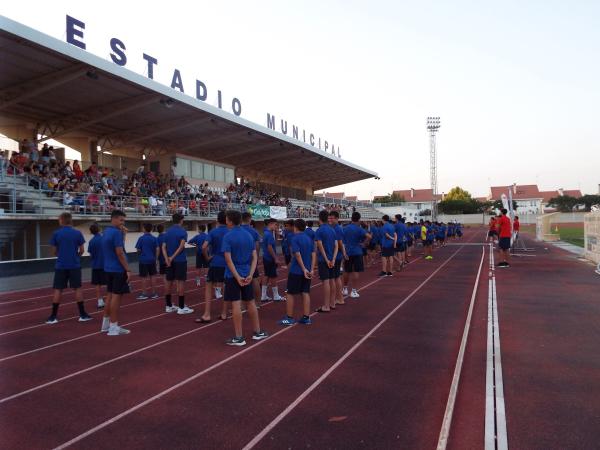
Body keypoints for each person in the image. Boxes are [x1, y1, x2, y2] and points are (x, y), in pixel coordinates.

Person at [221, 210, 268, 346]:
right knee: (251, 302)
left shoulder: (228, 236)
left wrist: (237, 277)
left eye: (227, 219)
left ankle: (239, 337)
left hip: (233, 275)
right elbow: (255, 257)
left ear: (229, 221)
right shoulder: (248, 235)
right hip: (247, 273)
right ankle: (257, 332)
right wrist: (250, 274)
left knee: (236, 304)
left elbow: (229, 261)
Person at [46, 212, 91, 324]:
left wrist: (61, 256)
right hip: (74, 265)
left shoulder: (56, 233)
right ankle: (82, 314)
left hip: (60, 265)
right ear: (70, 220)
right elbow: (82, 250)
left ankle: (53, 316)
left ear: (62, 220)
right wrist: (75, 256)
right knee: (77, 289)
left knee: (58, 290)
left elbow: (54, 251)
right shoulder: (77, 233)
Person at [279, 218, 316, 325]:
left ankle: (289, 318)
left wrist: (303, 269)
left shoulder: (295, 239)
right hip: (308, 270)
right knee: (305, 292)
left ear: (295, 227)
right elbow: (313, 254)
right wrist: (311, 269)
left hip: (297, 270)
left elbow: (297, 254)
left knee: (290, 293)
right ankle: (306, 317)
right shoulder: (309, 238)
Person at [101, 209, 132, 335]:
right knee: (116, 297)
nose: (122, 223)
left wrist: (123, 235)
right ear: (113, 219)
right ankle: (114, 327)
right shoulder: (116, 233)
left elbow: (118, 248)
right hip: (118, 269)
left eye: (123, 220)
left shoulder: (106, 231)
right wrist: (128, 269)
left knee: (109, 295)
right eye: (121, 220)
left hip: (108, 268)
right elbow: (120, 252)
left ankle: (106, 324)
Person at [198, 211, 229, 322]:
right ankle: (224, 313)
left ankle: (207, 314)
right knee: (226, 287)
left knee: (208, 286)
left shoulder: (212, 232)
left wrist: (207, 258)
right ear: (227, 220)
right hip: (227, 263)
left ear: (217, 220)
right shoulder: (230, 231)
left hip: (215, 262)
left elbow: (203, 247)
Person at [162, 213, 194, 314]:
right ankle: (181, 307)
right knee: (180, 282)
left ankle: (168, 305)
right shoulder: (182, 231)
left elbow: (163, 247)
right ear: (181, 220)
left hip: (169, 260)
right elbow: (181, 246)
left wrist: (167, 258)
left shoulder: (167, 231)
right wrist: (172, 257)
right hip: (180, 260)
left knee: (168, 281)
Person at [342, 212, 370, 298]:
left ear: (351, 219)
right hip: (357, 252)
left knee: (346, 270)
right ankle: (353, 291)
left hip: (348, 252)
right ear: (359, 219)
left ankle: (345, 289)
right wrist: (364, 244)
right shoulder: (359, 229)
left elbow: (341, 241)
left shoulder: (345, 228)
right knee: (356, 271)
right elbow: (369, 237)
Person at [315, 210, 338, 312]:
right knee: (332, 280)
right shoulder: (332, 230)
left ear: (319, 219)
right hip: (332, 259)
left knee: (326, 282)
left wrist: (327, 259)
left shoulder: (319, 231)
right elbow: (336, 246)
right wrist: (333, 259)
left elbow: (319, 246)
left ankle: (326, 306)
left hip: (324, 260)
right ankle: (332, 303)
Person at [260, 219, 285, 301]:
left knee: (266, 275)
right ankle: (276, 295)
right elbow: (270, 247)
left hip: (266, 257)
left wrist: (277, 234)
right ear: (270, 224)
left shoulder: (267, 233)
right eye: (275, 225)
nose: (276, 226)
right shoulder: (269, 234)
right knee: (273, 276)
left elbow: (274, 243)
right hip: (269, 258)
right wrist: (275, 258)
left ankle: (263, 295)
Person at [241, 213, 262, 308]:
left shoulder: (238, 230)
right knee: (254, 280)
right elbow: (257, 246)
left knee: (239, 282)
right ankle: (258, 303)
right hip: (251, 260)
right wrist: (256, 258)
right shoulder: (254, 231)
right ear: (249, 219)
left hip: (240, 260)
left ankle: (242, 305)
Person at [135, 223, 159, 300]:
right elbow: (157, 249)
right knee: (153, 276)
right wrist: (156, 258)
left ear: (144, 229)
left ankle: (144, 293)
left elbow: (138, 249)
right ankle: (154, 293)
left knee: (144, 277)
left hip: (143, 260)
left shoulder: (141, 238)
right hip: (152, 260)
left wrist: (141, 254)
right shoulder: (154, 238)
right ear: (151, 229)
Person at [328, 210, 347, 307]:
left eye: (332, 218)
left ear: (337, 219)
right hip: (336, 255)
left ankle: (339, 298)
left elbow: (340, 243)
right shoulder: (334, 227)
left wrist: (343, 253)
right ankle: (339, 298)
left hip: (337, 256)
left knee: (335, 278)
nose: (330, 220)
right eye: (329, 218)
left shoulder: (337, 228)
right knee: (336, 277)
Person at [88, 223, 105, 309]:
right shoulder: (104, 239)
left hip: (95, 265)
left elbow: (91, 254)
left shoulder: (91, 241)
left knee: (97, 284)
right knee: (110, 282)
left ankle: (100, 301)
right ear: (99, 229)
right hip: (105, 265)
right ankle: (110, 299)